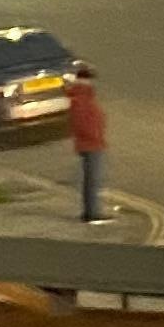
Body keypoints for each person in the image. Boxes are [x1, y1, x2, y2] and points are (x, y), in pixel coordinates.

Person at [66, 58, 109, 221]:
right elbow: (82, 122)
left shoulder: (82, 96)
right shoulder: (81, 98)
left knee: (92, 179)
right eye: (89, 78)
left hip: (91, 142)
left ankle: (91, 211)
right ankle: (92, 213)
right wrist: (95, 136)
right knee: (93, 180)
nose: (91, 82)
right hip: (91, 144)